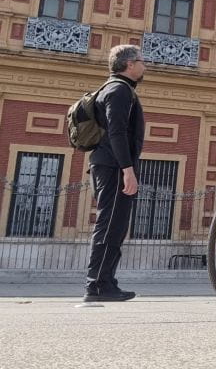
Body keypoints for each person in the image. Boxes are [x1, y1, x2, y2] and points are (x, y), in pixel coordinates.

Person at [83, 45, 146, 302]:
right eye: (142, 61)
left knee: (115, 226)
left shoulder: (115, 88)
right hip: (113, 166)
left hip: (109, 164)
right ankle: (96, 285)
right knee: (109, 225)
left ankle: (106, 281)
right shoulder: (119, 90)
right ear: (129, 64)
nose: (145, 66)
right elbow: (116, 132)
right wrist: (127, 170)